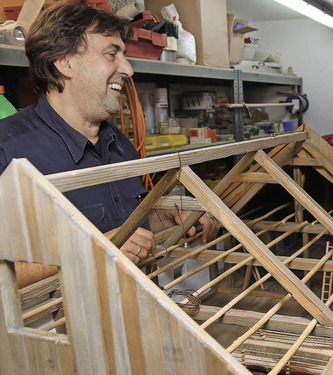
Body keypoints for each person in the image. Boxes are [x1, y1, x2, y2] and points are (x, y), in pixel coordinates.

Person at [0, 4, 218, 287]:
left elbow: (121, 228)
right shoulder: (8, 148)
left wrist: (169, 218)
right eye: (111, 54)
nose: (127, 69)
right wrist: (90, 248)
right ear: (64, 62)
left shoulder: (118, 143)